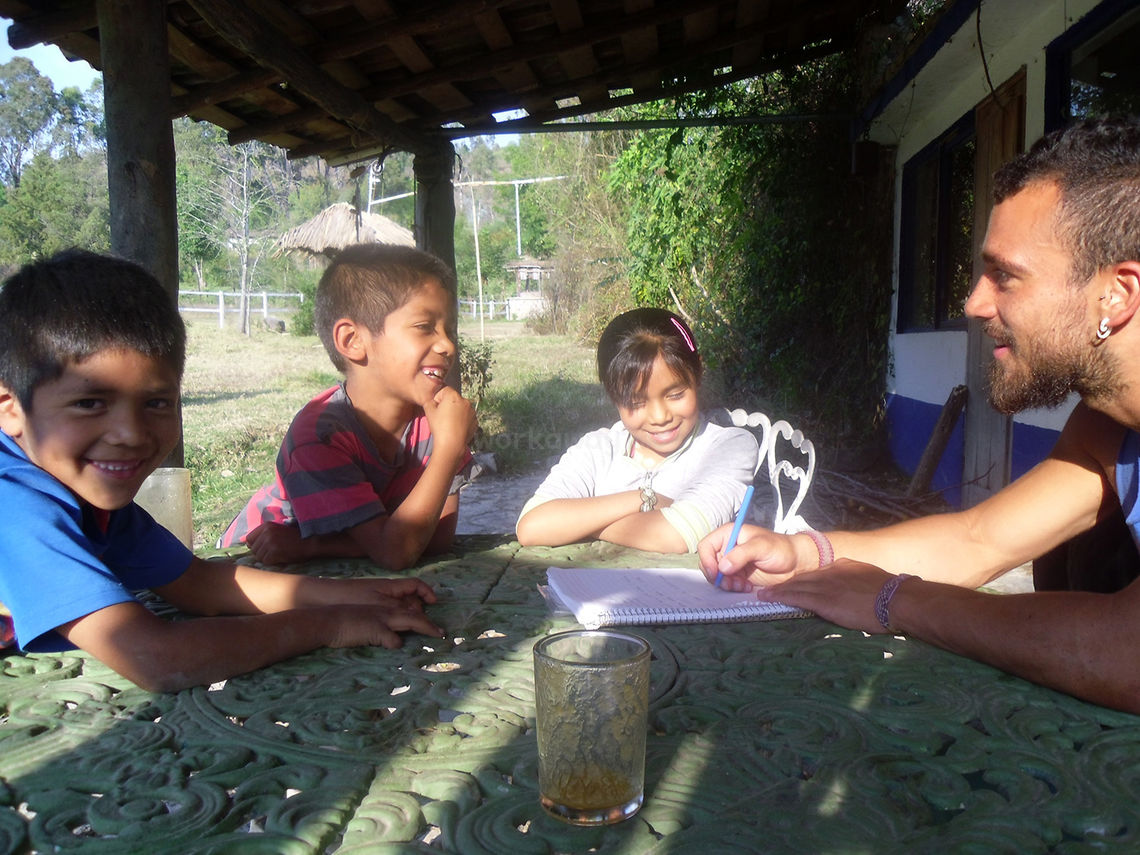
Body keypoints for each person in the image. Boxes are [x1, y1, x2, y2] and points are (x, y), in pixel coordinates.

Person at [697, 115, 1140, 713]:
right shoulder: (1107, 427)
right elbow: (977, 539)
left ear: (1117, 294)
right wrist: (806, 554)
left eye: (1004, 276)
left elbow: (1125, 651)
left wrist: (893, 599)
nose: (974, 302)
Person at [0, 249, 443, 692]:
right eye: (89, 403)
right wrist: (330, 624)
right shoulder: (13, 503)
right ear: (10, 409)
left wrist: (355, 594)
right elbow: (157, 658)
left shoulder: (82, 492)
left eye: (156, 403)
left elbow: (199, 583)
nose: (130, 434)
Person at [219, 243, 476, 571]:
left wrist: (314, 545)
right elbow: (395, 553)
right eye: (425, 327)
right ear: (352, 341)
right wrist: (449, 450)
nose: (447, 345)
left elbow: (435, 538)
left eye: (450, 329)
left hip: (323, 565)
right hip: (246, 567)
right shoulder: (320, 434)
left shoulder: (436, 421)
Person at [516, 307, 758, 553]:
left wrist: (577, 524)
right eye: (636, 403)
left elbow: (677, 536)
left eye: (675, 395)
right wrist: (643, 499)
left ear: (698, 375)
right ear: (613, 397)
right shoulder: (598, 448)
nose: (660, 417)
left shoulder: (730, 446)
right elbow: (532, 526)